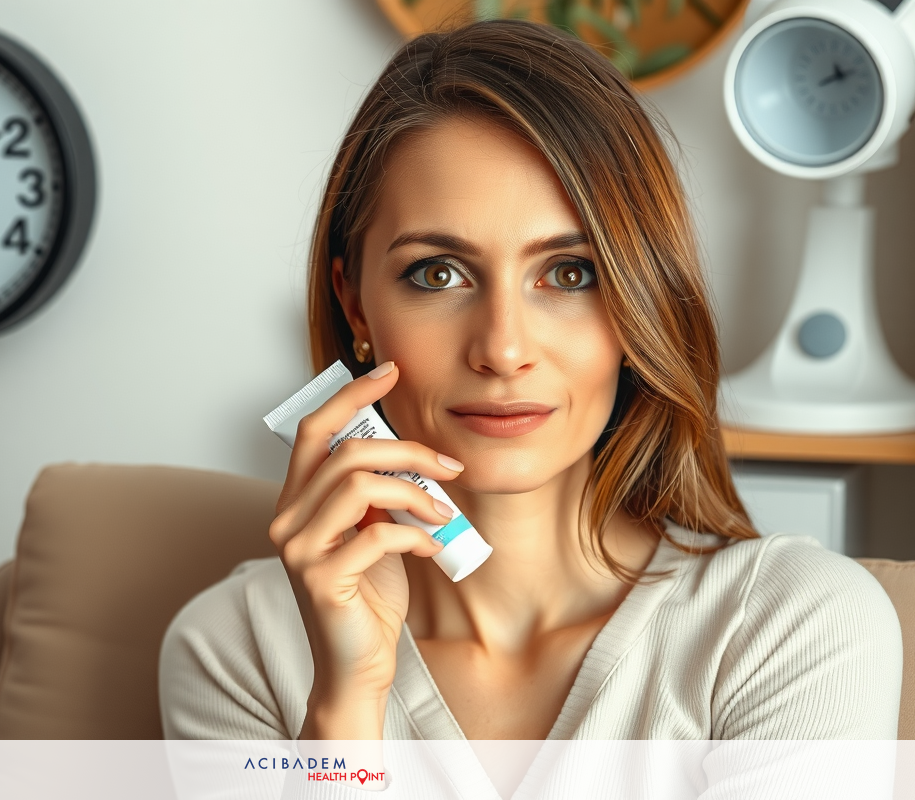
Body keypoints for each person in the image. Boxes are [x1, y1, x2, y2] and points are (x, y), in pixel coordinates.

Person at [159, 18, 901, 796]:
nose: (504, 349)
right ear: (355, 305)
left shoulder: (795, 624)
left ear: (640, 305)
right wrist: (346, 705)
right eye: (438, 274)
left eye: (570, 273)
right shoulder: (237, 647)